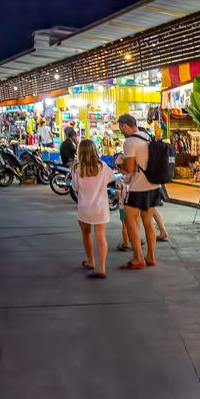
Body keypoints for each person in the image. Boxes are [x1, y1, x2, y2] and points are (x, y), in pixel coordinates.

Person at [117, 114, 163, 269]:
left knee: (130, 221)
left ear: (125, 126)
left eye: (121, 128)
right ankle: (150, 257)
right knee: (148, 222)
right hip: (153, 185)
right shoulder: (147, 136)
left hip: (138, 187)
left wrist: (120, 164)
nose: (121, 131)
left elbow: (129, 168)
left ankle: (138, 258)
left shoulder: (130, 142)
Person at [73, 139, 113, 278]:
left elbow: (75, 187)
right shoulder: (102, 166)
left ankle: (91, 261)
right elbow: (111, 178)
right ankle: (101, 267)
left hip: (84, 207)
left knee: (86, 233)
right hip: (100, 207)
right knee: (100, 236)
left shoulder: (77, 168)